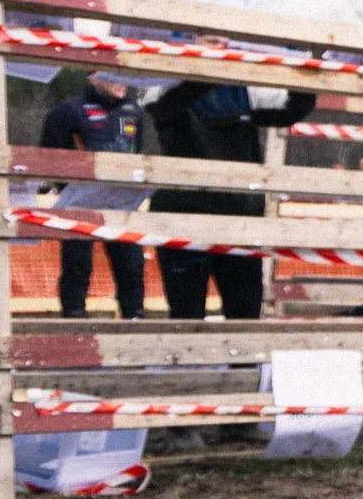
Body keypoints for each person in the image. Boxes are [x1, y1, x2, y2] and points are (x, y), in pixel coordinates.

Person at [149, 65, 315, 320]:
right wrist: (211, 68)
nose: (219, 46)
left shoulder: (243, 92)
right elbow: (163, 107)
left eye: (223, 41)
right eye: (211, 39)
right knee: (185, 315)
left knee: (245, 313)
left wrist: (305, 74)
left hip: (238, 223)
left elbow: (292, 108)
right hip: (184, 220)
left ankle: (245, 362)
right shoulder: (162, 83)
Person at [38, 75, 150, 319]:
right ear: (93, 76)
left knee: (132, 266)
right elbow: (47, 155)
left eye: (124, 75)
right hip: (81, 203)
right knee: (77, 266)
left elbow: (137, 151)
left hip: (122, 203)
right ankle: (74, 320)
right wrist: (71, 186)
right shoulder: (68, 110)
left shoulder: (134, 111)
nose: (122, 81)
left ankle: (135, 319)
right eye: (112, 75)